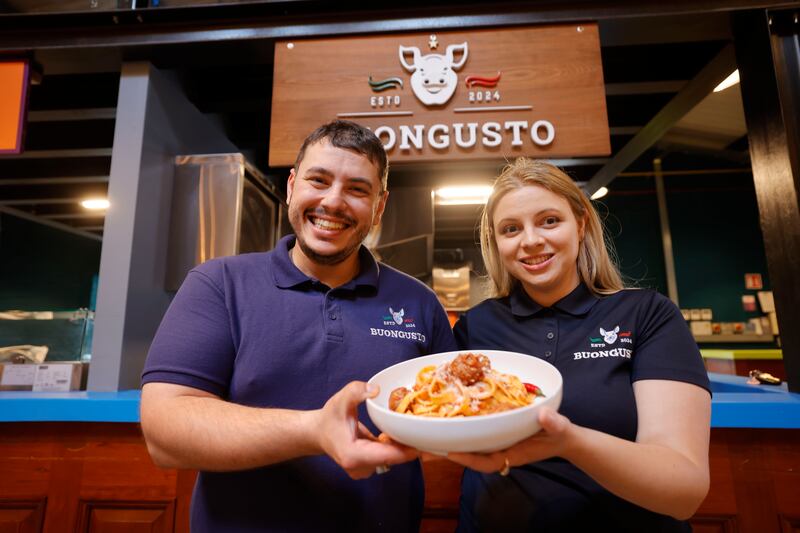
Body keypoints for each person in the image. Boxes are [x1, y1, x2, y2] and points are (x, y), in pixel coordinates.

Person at [139, 120, 457, 532]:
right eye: (318, 180)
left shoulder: (420, 303)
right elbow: (164, 432)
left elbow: (452, 417)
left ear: (379, 207)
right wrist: (313, 431)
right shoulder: (218, 283)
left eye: (358, 189)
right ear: (292, 186)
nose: (334, 202)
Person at [447, 158, 711, 532]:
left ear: (581, 224)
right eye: (511, 228)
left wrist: (569, 442)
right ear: (496, 242)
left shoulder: (647, 314)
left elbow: (684, 492)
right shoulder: (475, 327)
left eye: (549, 221)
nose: (530, 240)